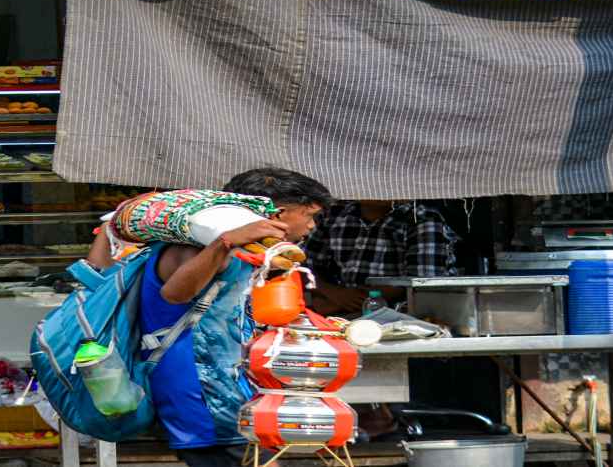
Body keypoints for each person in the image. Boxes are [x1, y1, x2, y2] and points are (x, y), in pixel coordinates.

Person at [86, 168, 332, 467]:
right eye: (309, 215)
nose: (311, 226)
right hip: (204, 397)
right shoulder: (200, 249)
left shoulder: (242, 252)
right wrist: (224, 242)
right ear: (279, 214)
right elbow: (175, 294)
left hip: (228, 393)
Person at [304, 200, 458, 316]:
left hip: (400, 315)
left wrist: (347, 301)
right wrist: (334, 293)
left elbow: (423, 282)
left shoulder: (422, 219)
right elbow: (306, 266)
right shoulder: (333, 213)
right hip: (338, 310)